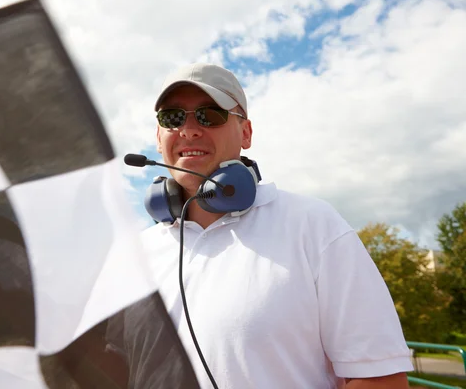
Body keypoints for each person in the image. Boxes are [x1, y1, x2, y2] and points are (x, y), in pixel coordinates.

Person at [137, 63, 414, 388]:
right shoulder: (138, 254)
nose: (188, 129)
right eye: (172, 117)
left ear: (246, 133)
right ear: (158, 137)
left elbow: (382, 380)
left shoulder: (314, 227)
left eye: (208, 114)